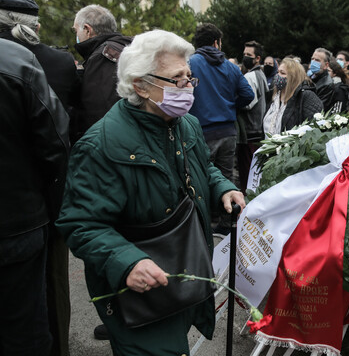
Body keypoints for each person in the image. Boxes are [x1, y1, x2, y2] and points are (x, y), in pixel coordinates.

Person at [56, 30, 246, 356]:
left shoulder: (185, 124)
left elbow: (202, 166)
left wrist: (223, 187)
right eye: (177, 79)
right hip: (135, 296)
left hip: (179, 279)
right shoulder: (101, 144)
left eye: (190, 78)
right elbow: (80, 224)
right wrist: (127, 262)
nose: (188, 87)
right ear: (141, 85)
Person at [0, 0, 77, 356]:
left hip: (21, 221)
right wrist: (56, 210)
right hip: (20, 223)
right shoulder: (21, 62)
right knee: (25, 328)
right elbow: (56, 147)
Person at [188, 23, 254, 184]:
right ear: (216, 42)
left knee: (201, 179)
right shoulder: (230, 67)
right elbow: (248, 94)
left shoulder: (189, 64)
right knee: (226, 180)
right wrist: (231, 105)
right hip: (228, 132)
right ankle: (226, 208)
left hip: (201, 132)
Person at [73, 4, 132, 140]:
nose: (76, 36)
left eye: (75, 31)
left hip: (112, 142)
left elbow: (99, 110)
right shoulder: (125, 47)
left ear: (87, 30)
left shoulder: (102, 56)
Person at [263, 58, 323, 136]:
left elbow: (313, 129)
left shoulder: (306, 96)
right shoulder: (274, 95)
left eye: (282, 73)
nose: (277, 76)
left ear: (293, 77)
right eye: (278, 72)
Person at [238, 40, 268, 192]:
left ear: (258, 58)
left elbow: (248, 102)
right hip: (258, 130)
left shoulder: (250, 77)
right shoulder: (260, 74)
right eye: (244, 54)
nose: (245, 57)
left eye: (249, 55)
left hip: (250, 131)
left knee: (248, 178)